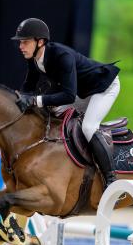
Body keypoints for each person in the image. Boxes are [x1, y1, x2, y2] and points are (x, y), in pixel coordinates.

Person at [11, 18, 121, 191]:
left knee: (89, 127)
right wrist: (16, 100)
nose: (20, 46)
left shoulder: (62, 56)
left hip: (104, 87)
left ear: (40, 42)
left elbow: (68, 96)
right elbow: (28, 87)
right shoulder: (33, 58)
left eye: (25, 42)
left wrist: (36, 100)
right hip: (82, 91)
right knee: (50, 111)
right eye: (20, 42)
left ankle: (111, 179)